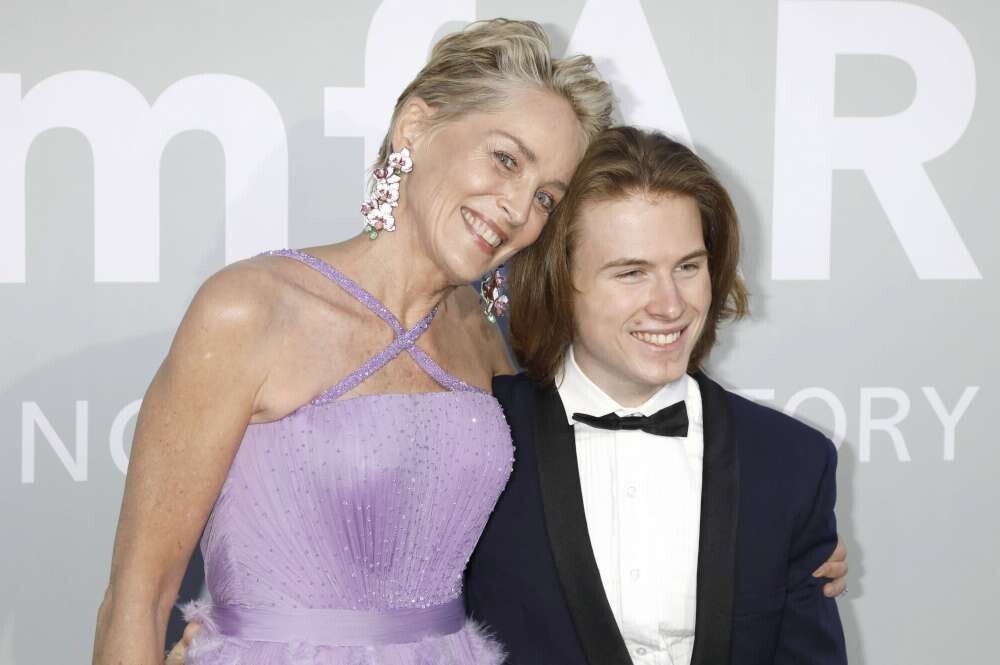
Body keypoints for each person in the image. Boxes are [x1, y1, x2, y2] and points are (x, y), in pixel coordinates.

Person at [92, 19, 616, 665]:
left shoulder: (490, 345)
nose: (516, 208)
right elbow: (136, 598)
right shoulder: (251, 310)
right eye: (505, 159)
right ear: (415, 127)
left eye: (546, 197)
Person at [464, 126, 848, 664]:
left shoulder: (792, 462)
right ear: (559, 280)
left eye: (687, 267)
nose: (669, 305)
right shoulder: (477, 445)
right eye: (631, 273)